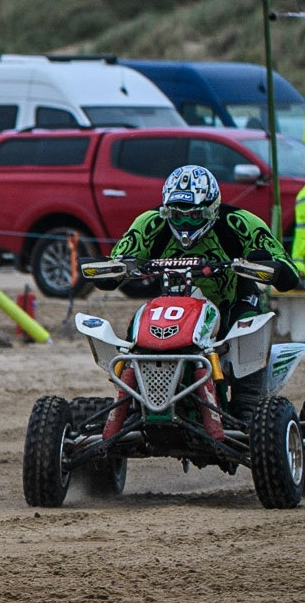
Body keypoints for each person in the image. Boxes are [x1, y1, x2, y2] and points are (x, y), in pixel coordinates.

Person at [96, 165, 298, 423]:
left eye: (194, 215)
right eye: (177, 216)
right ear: (166, 210)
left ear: (212, 208)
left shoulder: (239, 222)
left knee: (251, 325)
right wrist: (114, 270)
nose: (185, 223)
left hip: (232, 302)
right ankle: (133, 402)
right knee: (138, 326)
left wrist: (270, 265)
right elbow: (117, 264)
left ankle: (247, 407)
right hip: (174, 303)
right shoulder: (150, 223)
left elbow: (288, 269)